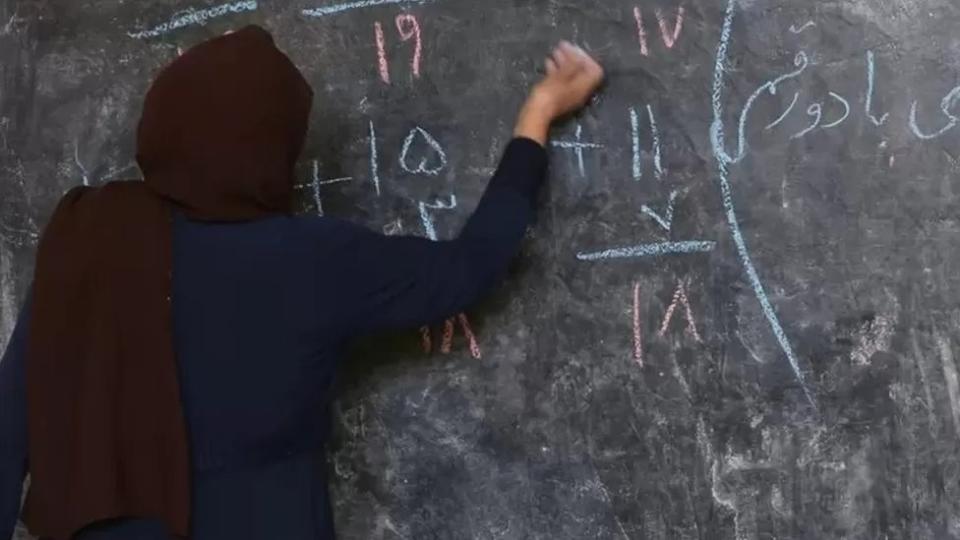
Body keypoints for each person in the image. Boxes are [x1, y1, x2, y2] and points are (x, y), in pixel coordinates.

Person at [0, 26, 603, 540]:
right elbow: (470, 268)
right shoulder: (315, 260)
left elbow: (13, 413)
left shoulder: (91, 232)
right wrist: (538, 114)